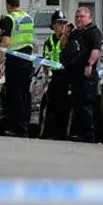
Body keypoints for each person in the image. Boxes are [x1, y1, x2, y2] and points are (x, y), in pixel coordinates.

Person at [59, 7, 103, 143]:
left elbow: (95, 50)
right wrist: (66, 33)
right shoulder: (75, 33)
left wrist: (89, 64)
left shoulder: (93, 32)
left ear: (89, 17)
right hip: (73, 73)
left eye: (82, 16)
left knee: (85, 104)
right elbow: (64, 46)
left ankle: (88, 134)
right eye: (77, 16)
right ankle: (78, 132)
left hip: (86, 74)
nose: (79, 19)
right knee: (77, 104)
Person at [0, 0, 35, 137]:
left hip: (15, 61)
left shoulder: (9, 18)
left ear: (8, 5)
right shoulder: (28, 18)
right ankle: (25, 125)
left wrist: (0, 62)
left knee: (15, 95)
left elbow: (5, 42)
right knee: (25, 95)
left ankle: (17, 128)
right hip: (27, 60)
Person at [40, 10, 70, 140]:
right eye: (59, 23)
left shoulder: (69, 40)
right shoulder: (49, 41)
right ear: (53, 25)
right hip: (54, 76)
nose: (62, 26)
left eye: (64, 23)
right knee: (51, 104)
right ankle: (50, 132)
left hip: (65, 76)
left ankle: (62, 133)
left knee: (64, 106)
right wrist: (46, 75)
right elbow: (45, 59)